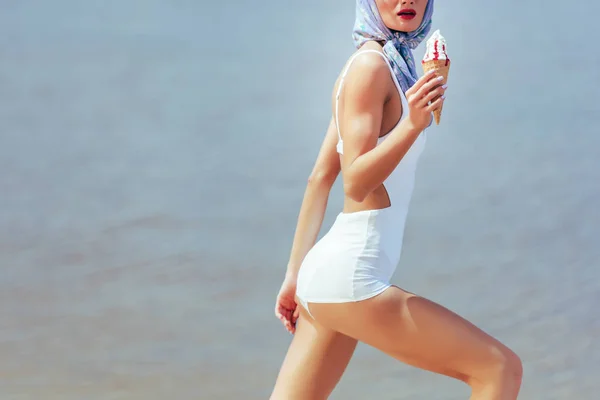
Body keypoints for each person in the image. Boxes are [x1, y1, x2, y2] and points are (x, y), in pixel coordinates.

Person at [271, 1, 523, 399]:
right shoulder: (371, 68)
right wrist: (411, 123)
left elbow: (319, 177)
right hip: (351, 277)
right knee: (499, 369)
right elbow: (353, 182)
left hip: (325, 278)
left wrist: (293, 277)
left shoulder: (384, 64)